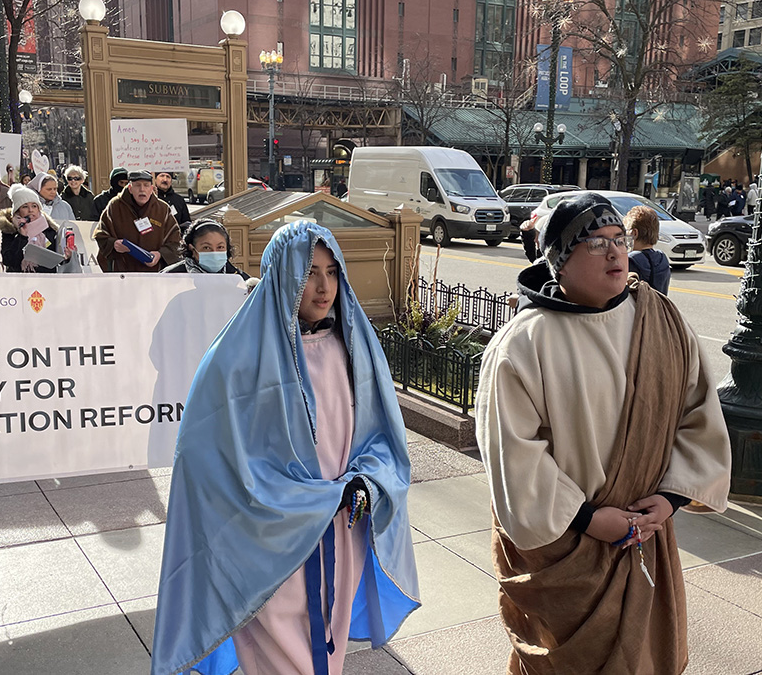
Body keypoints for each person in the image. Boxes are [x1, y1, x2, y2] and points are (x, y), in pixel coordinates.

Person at [476, 192, 731, 674]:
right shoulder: (525, 343)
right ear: (560, 261)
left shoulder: (660, 321)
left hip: (646, 534)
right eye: (596, 243)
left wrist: (670, 499)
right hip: (569, 554)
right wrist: (589, 519)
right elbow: (514, 456)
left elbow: (697, 411)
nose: (616, 252)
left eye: (620, 239)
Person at [152, 221, 419, 675]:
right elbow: (203, 458)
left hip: (340, 527)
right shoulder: (237, 356)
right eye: (308, 272)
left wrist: (366, 482)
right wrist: (285, 500)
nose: (322, 287)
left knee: (327, 645)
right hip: (267, 538)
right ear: (280, 274)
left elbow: (382, 438)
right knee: (281, 652)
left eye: (332, 272)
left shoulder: (353, 348)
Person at [94, 169, 180, 273]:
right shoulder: (115, 206)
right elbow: (100, 235)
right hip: (123, 273)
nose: (142, 189)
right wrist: (114, 244)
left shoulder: (163, 209)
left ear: (152, 188)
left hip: (154, 274)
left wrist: (160, 254)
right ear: (130, 188)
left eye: (146, 185)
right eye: (137, 185)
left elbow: (176, 241)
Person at [0, 184, 75, 273]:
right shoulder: (10, 230)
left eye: (34, 206)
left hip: (45, 280)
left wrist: (68, 257)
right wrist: (22, 237)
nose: (30, 210)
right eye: (25, 206)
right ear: (17, 210)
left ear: (39, 209)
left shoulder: (49, 229)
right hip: (20, 280)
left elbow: (57, 260)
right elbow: (8, 260)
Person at [161, 218, 250, 279]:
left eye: (220, 247)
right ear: (192, 248)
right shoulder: (171, 277)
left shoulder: (239, 279)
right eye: (207, 248)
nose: (214, 253)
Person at [624, 205, 670, 295]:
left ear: (634, 233)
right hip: (657, 307)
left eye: (626, 231)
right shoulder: (662, 258)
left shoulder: (631, 260)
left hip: (639, 307)